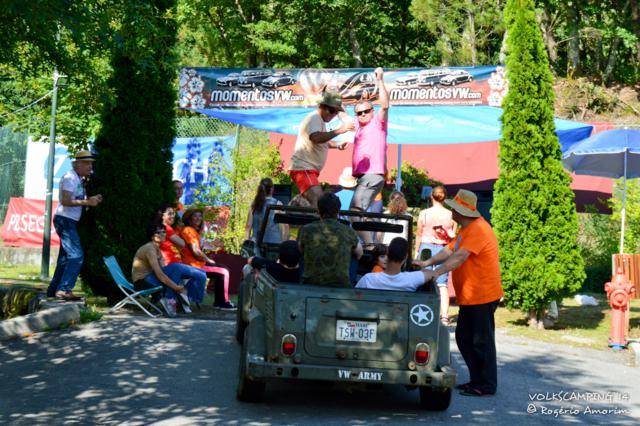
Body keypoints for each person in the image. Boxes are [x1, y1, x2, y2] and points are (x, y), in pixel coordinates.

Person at [414, 189, 503, 397]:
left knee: (481, 341)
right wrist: (426, 262)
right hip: (472, 296)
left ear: (461, 211)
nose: (451, 211)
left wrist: (435, 273)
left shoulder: (479, 229)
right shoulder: (467, 228)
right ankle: (477, 380)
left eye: (454, 208)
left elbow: (460, 257)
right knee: (464, 338)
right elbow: (449, 250)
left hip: (483, 295)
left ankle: (486, 384)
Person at [47, 150, 102, 300]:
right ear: (77, 164)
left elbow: (74, 200)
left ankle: (53, 290)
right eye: (86, 163)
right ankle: (64, 289)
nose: (90, 166)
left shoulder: (77, 178)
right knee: (77, 255)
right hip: (65, 220)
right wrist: (87, 201)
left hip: (67, 220)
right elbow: (65, 201)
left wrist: (91, 199)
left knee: (65, 258)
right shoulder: (70, 177)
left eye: (91, 163)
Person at [289, 91, 354, 207]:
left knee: (316, 205)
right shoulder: (314, 118)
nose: (334, 115)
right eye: (332, 111)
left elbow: (322, 142)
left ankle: (306, 221)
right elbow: (316, 138)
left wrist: (338, 145)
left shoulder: (320, 121)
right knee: (320, 203)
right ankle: (319, 225)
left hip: (308, 170)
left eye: (336, 112)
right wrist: (340, 130)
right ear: (322, 106)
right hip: (304, 169)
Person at [298, 192, 363, 287]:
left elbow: (300, 250)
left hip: (310, 284)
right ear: (338, 211)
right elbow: (360, 253)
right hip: (341, 285)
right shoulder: (348, 231)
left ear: (319, 210)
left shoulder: (306, 229)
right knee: (354, 254)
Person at [415, 185, 457, 325]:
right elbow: (453, 236)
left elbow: (419, 234)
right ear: (445, 198)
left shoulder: (424, 213)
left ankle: (423, 310)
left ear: (431, 196)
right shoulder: (450, 214)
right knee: (442, 283)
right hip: (443, 248)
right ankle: (444, 316)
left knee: (423, 279)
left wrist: (416, 251)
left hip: (426, 247)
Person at [350, 67, 389, 214]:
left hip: (371, 175)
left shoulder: (378, 123)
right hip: (364, 177)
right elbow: (342, 114)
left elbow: (384, 106)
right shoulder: (358, 127)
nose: (363, 114)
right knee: (359, 214)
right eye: (359, 113)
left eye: (366, 111)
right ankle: (365, 238)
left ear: (372, 111)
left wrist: (379, 80)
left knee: (355, 211)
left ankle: (362, 238)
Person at [131, 223, 191, 317]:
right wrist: (176, 287)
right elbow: (159, 274)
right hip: (142, 283)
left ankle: (170, 299)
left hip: (148, 279)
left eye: (164, 232)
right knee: (176, 267)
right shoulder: (150, 249)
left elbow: (163, 269)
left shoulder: (156, 248)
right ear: (151, 236)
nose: (162, 234)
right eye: (158, 232)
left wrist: (175, 283)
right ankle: (170, 299)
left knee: (175, 269)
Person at [181, 208, 235, 310]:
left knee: (222, 270)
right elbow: (196, 251)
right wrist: (208, 260)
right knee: (223, 271)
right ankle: (223, 303)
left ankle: (220, 302)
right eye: (195, 216)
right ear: (189, 219)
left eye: (200, 216)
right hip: (192, 265)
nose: (198, 218)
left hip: (196, 264)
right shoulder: (188, 230)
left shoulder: (194, 231)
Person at [156, 204, 207, 307]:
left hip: (174, 264)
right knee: (200, 274)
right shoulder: (166, 228)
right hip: (169, 265)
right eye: (169, 214)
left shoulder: (167, 228)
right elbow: (182, 244)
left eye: (173, 214)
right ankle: (187, 297)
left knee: (201, 273)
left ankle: (185, 297)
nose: (173, 216)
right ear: (162, 215)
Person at [356, 237, 431, 291]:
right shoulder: (411, 279)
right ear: (405, 257)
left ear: (389, 254)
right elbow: (433, 273)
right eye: (382, 256)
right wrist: (424, 264)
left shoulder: (367, 279)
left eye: (386, 256)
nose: (385, 259)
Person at [245, 178, 284, 244]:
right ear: (272, 188)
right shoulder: (278, 204)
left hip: (257, 243)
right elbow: (285, 226)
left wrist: (246, 242)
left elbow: (248, 226)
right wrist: (284, 243)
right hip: (274, 244)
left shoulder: (254, 205)